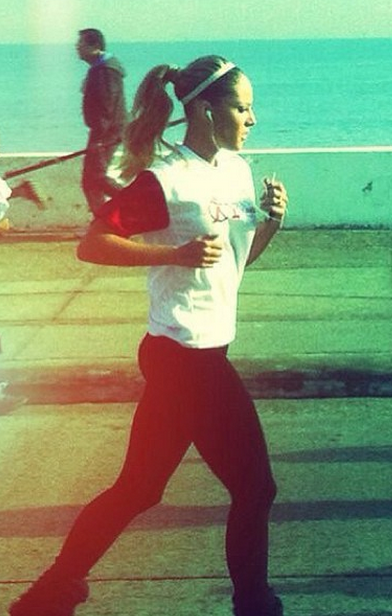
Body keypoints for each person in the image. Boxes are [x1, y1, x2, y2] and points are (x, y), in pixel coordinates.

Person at [9, 55, 288, 616]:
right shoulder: (166, 180)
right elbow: (92, 244)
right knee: (255, 489)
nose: (252, 119)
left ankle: (52, 592)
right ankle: (254, 604)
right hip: (184, 357)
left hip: (197, 352)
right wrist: (173, 254)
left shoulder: (236, 171)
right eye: (242, 108)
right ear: (204, 111)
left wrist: (272, 225)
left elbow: (231, 268)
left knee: (139, 489)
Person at [76, 28, 127, 214]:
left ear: (95, 46)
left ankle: (136, 203)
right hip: (105, 130)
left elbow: (106, 106)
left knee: (95, 178)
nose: (77, 48)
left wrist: (99, 139)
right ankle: (102, 219)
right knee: (92, 180)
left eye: (81, 44)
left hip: (107, 131)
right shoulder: (100, 69)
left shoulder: (105, 71)